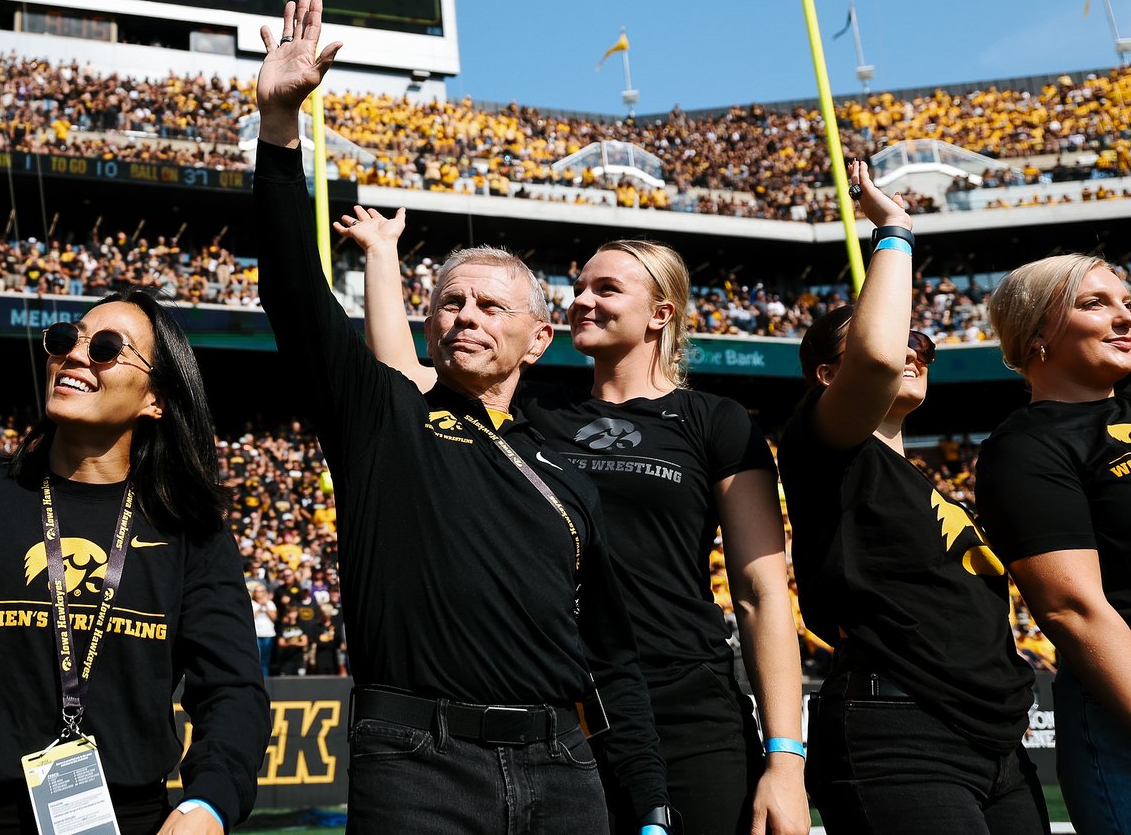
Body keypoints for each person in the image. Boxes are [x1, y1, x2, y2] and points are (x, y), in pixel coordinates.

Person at [252, 0, 675, 835]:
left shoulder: (566, 471)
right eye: (449, 302)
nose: (466, 316)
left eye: (489, 305)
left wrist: (650, 799)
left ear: (538, 338)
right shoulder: (382, 419)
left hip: (565, 769)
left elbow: (612, 657)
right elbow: (294, 293)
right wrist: (277, 128)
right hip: (418, 767)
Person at [337, 219, 809, 834]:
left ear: (660, 314)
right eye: (579, 286)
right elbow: (399, 377)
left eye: (606, 289)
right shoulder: (530, 410)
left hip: (686, 705)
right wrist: (381, 255)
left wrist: (787, 759)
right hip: (565, 713)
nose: (582, 298)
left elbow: (759, 592)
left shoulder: (714, 421)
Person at [0, 287, 271, 835]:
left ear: (154, 399)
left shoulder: (192, 532)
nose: (75, 354)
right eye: (66, 339)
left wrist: (206, 806)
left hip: (133, 819)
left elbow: (231, 691)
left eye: (108, 347)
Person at [775, 161, 1048, 835]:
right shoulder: (824, 448)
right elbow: (874, 356)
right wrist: (894, 231)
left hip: (995, 743)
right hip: (897, 731)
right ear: (826, 374)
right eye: (900, 336)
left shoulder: (928, 483)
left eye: (921, 342)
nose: (912, 350)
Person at [975, 254, 1131, 834]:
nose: (1123, 318)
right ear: (1037, 334)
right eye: (1094, 304)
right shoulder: (1025, 448)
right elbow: (1074, 609)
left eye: (1127, 304)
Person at [251, 581, 278, 677]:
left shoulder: (270, 603)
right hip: (256, 635)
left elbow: (274, 618)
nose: (259, 593)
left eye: (261, 591)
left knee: (265, 660)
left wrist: (265, 605)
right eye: (257, 591)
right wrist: (259, 607)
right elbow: (251, 617)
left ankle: (265, 678)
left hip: (268, 634)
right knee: (256, 658)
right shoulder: (251, 603)